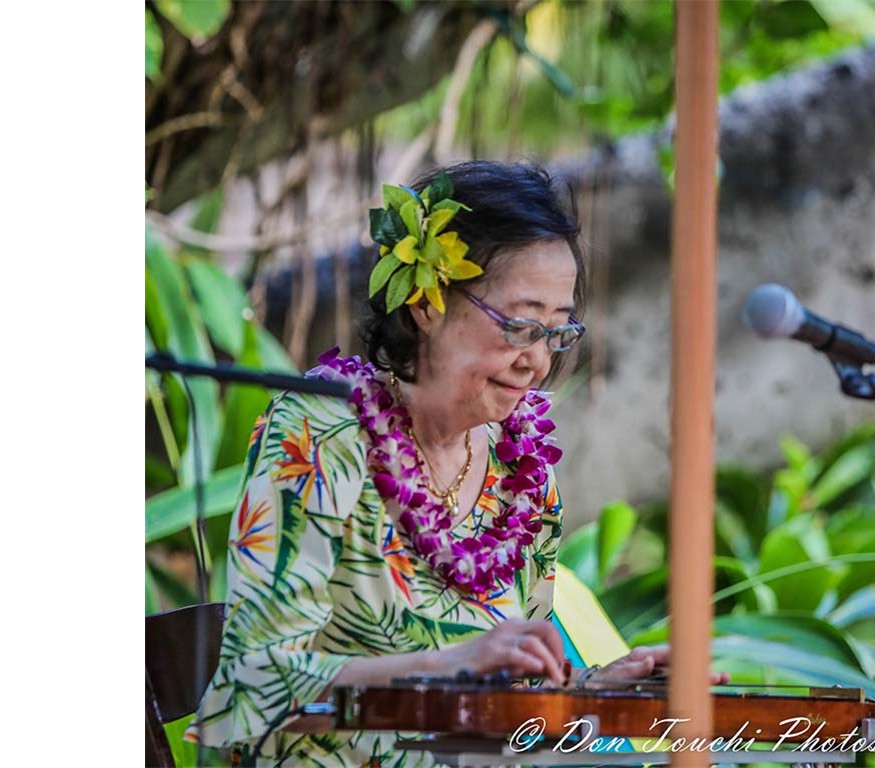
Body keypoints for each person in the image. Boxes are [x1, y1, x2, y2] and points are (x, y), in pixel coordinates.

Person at [187, 161, 692, 767]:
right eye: (519, 325)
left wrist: (595, 692)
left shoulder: (525, 476)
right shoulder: (320, 435)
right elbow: (254, 683)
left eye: (556, 331)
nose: (536, 360)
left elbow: (513, 700)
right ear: (427, 304)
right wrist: (447, 668)